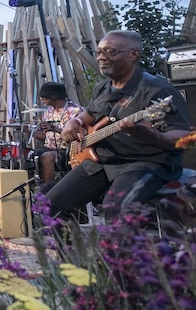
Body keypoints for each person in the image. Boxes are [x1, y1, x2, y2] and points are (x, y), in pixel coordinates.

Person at [46, 30, 192, 217]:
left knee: (114, 211)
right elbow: (90, 114)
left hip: (144, 162)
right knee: (50, 206)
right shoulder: (103, 87)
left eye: (110, 52)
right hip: (102, 160)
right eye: (98, 52)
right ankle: (74, 247)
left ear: (133, 54)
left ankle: (131, 246)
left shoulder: (158, 90)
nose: (101, 57)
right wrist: (74, 121)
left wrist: (155, 136)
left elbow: (185, 136)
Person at [31, 82, 82, 183]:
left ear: (53, 96)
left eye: (43, 96)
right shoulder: (49, 111)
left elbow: (78, 136)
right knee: (27, 155)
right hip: (48, 148)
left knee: (47, 157)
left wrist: (55, 129)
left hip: (67, 151)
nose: (41, 99)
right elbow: (46, 136)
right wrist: (25, 130)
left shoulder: (75, 111)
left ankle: (47, 192)